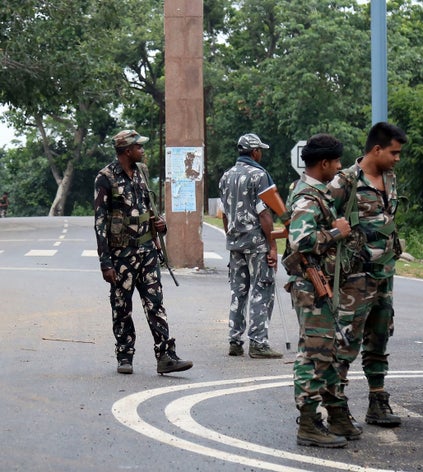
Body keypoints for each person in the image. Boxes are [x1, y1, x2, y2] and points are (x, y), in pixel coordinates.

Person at [94, 129, 194, 375]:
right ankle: (124, 356)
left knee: (155, 304)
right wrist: (105, 262)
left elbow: (150, 209)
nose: (142, 150)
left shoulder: (142, 173)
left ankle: (165, 356)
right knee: (122, 306)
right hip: (121, 255)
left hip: (148, 252)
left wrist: (161, 225)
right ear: (127, 150)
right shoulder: (105, 178)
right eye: (139, 147)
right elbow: (100, 222)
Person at [327, 122, 407, 428]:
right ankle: (337, 406)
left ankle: (378, 401)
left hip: (385, 274)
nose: (397, 158)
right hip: (354, 279)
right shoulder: (344, 181)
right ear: (376, 149)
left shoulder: (390, 178)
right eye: (394, 152)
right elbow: (325, 221)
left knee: (379, 337)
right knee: (346, 342)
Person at [284, 133, 359, 448]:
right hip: (311, 286)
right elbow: (300, 241)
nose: (339, 166)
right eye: (337, 162)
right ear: (324, 164)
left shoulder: (319, 193)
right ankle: (309, 423)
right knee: (314, 353)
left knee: (326, 350)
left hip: (323, 286)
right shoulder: (307, 197)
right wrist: (335, 232)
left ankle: (334, 413)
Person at [218, 133, 283, 359]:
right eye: (260, 150)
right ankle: (258, 342)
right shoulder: (260, 175)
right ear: (254, 152)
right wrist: (272, 245)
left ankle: (235, 341)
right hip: (256, 243)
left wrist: (231, 235)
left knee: (239, 292)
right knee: (261, 289)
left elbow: (224, 213)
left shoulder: (226, 176)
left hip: (235, 242)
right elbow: (264, 213)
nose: (261, 154)